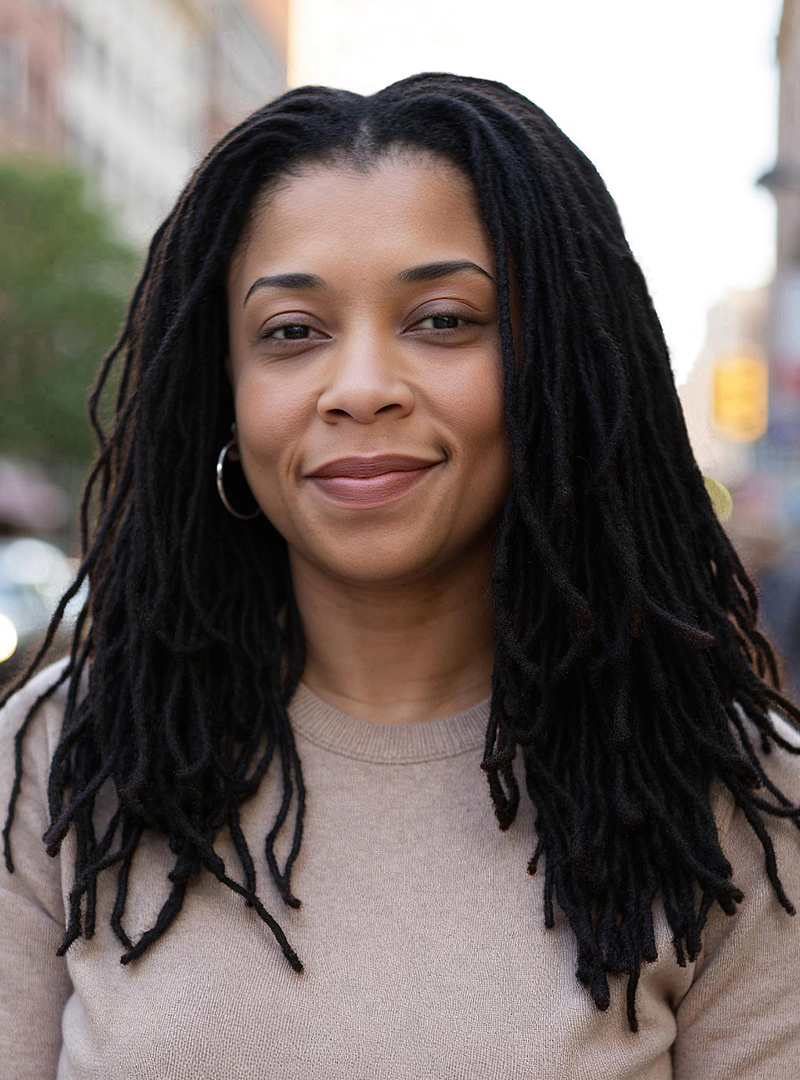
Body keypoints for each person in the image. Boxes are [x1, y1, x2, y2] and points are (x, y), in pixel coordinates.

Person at [2, 72, 800, 1079]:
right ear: (224, 396)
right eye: (291, 333)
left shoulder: (737, 795)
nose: (362, 388)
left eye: (441, 320)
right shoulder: (54, 765)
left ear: (554, 369)